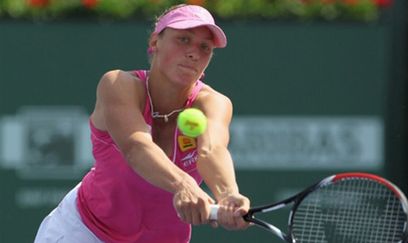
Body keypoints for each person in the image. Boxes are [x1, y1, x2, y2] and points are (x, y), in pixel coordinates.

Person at [34, 4, 250, 243]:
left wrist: (229, 194)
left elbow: (212, 150)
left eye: (204, 47)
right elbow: (136, 147)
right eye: (183, 39)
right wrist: (183, 184)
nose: (194, 53)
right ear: (156, 41)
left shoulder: (214, 103)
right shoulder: (118, 84)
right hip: (86, 231)